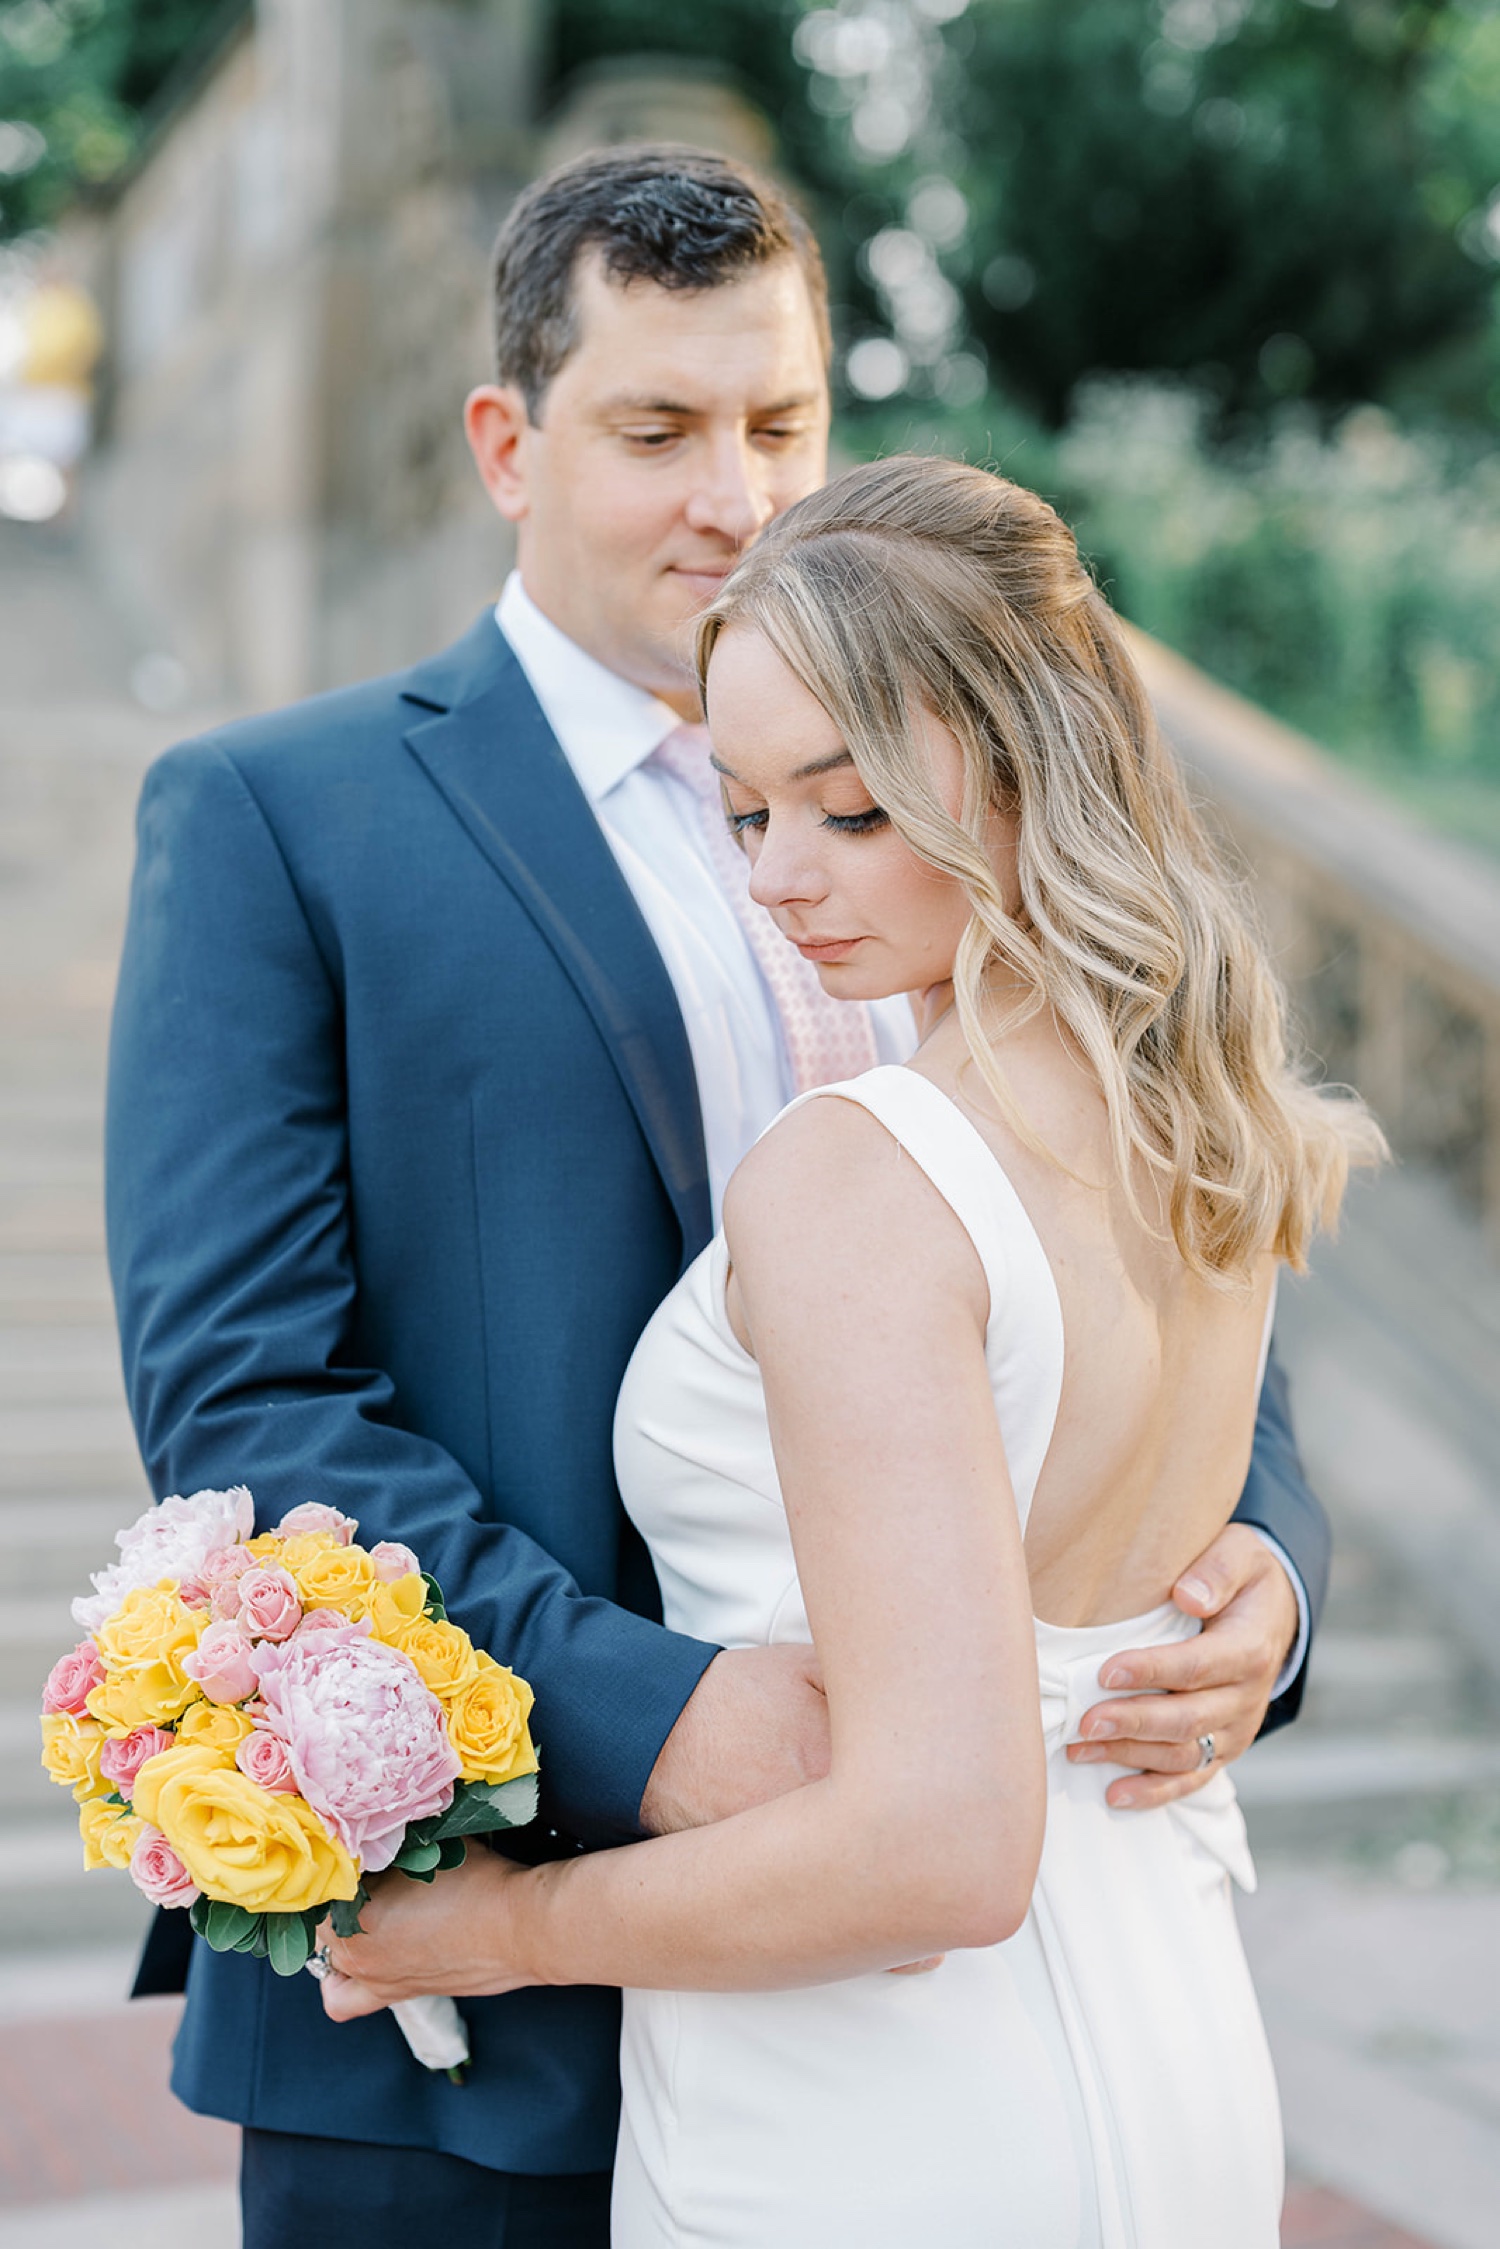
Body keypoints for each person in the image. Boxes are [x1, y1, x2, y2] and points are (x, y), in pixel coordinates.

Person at [107, 148, 1329, 2249]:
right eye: (659, 430)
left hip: (951, 1955)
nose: (736, 492)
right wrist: (647, 1719)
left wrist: (1262, 1566)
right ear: (509, 441)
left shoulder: (977, 833)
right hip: (475, 1989)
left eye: (781, 423)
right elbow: (245, 1404)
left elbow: (1161, 1226)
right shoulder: (280, 821)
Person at [320, 453, 1383, 2244]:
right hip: (1176, 2034)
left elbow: (937, 1848)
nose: (782, 880)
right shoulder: (1202, 1125)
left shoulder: (861, 1174)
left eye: (853, 808)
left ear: (1032, 760)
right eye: (744, 813)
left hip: (874, 2107)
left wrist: (488, 1928)